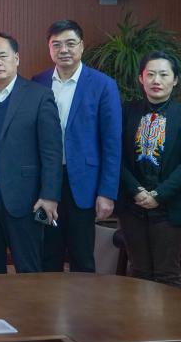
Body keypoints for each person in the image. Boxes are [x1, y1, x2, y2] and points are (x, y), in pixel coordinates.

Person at [0, 33, 61, 274]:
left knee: (28, 269)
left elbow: (51, 152)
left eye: (2, 56)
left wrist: (49, 195)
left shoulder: (39, 96)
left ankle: (31, 302)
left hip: (25, 199)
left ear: (16, 58)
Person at [33, 20, 122, 273]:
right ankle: (49, 299)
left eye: (70, 43)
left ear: (81, 46)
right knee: (47, 254)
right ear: (49, 48)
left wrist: (107, 192)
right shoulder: (38, 82)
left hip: (83, 183)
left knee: (82, 256)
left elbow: (112, 143)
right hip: (46, 181)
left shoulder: (103, 85)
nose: (64, 50)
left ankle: (83, 301)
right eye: (57, 44)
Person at [118, 51, 181, 288]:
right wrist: (135, 190)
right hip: (133, 204)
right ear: (141, 78)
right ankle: (138, 315)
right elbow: (116, 156)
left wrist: (159, 195)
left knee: (167, 274)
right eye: (150, 74)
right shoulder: (127, 111)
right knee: (138, 270)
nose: (156, 80)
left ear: (174, 80)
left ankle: (168, 316)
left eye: (164, 75)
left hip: (170, 206)